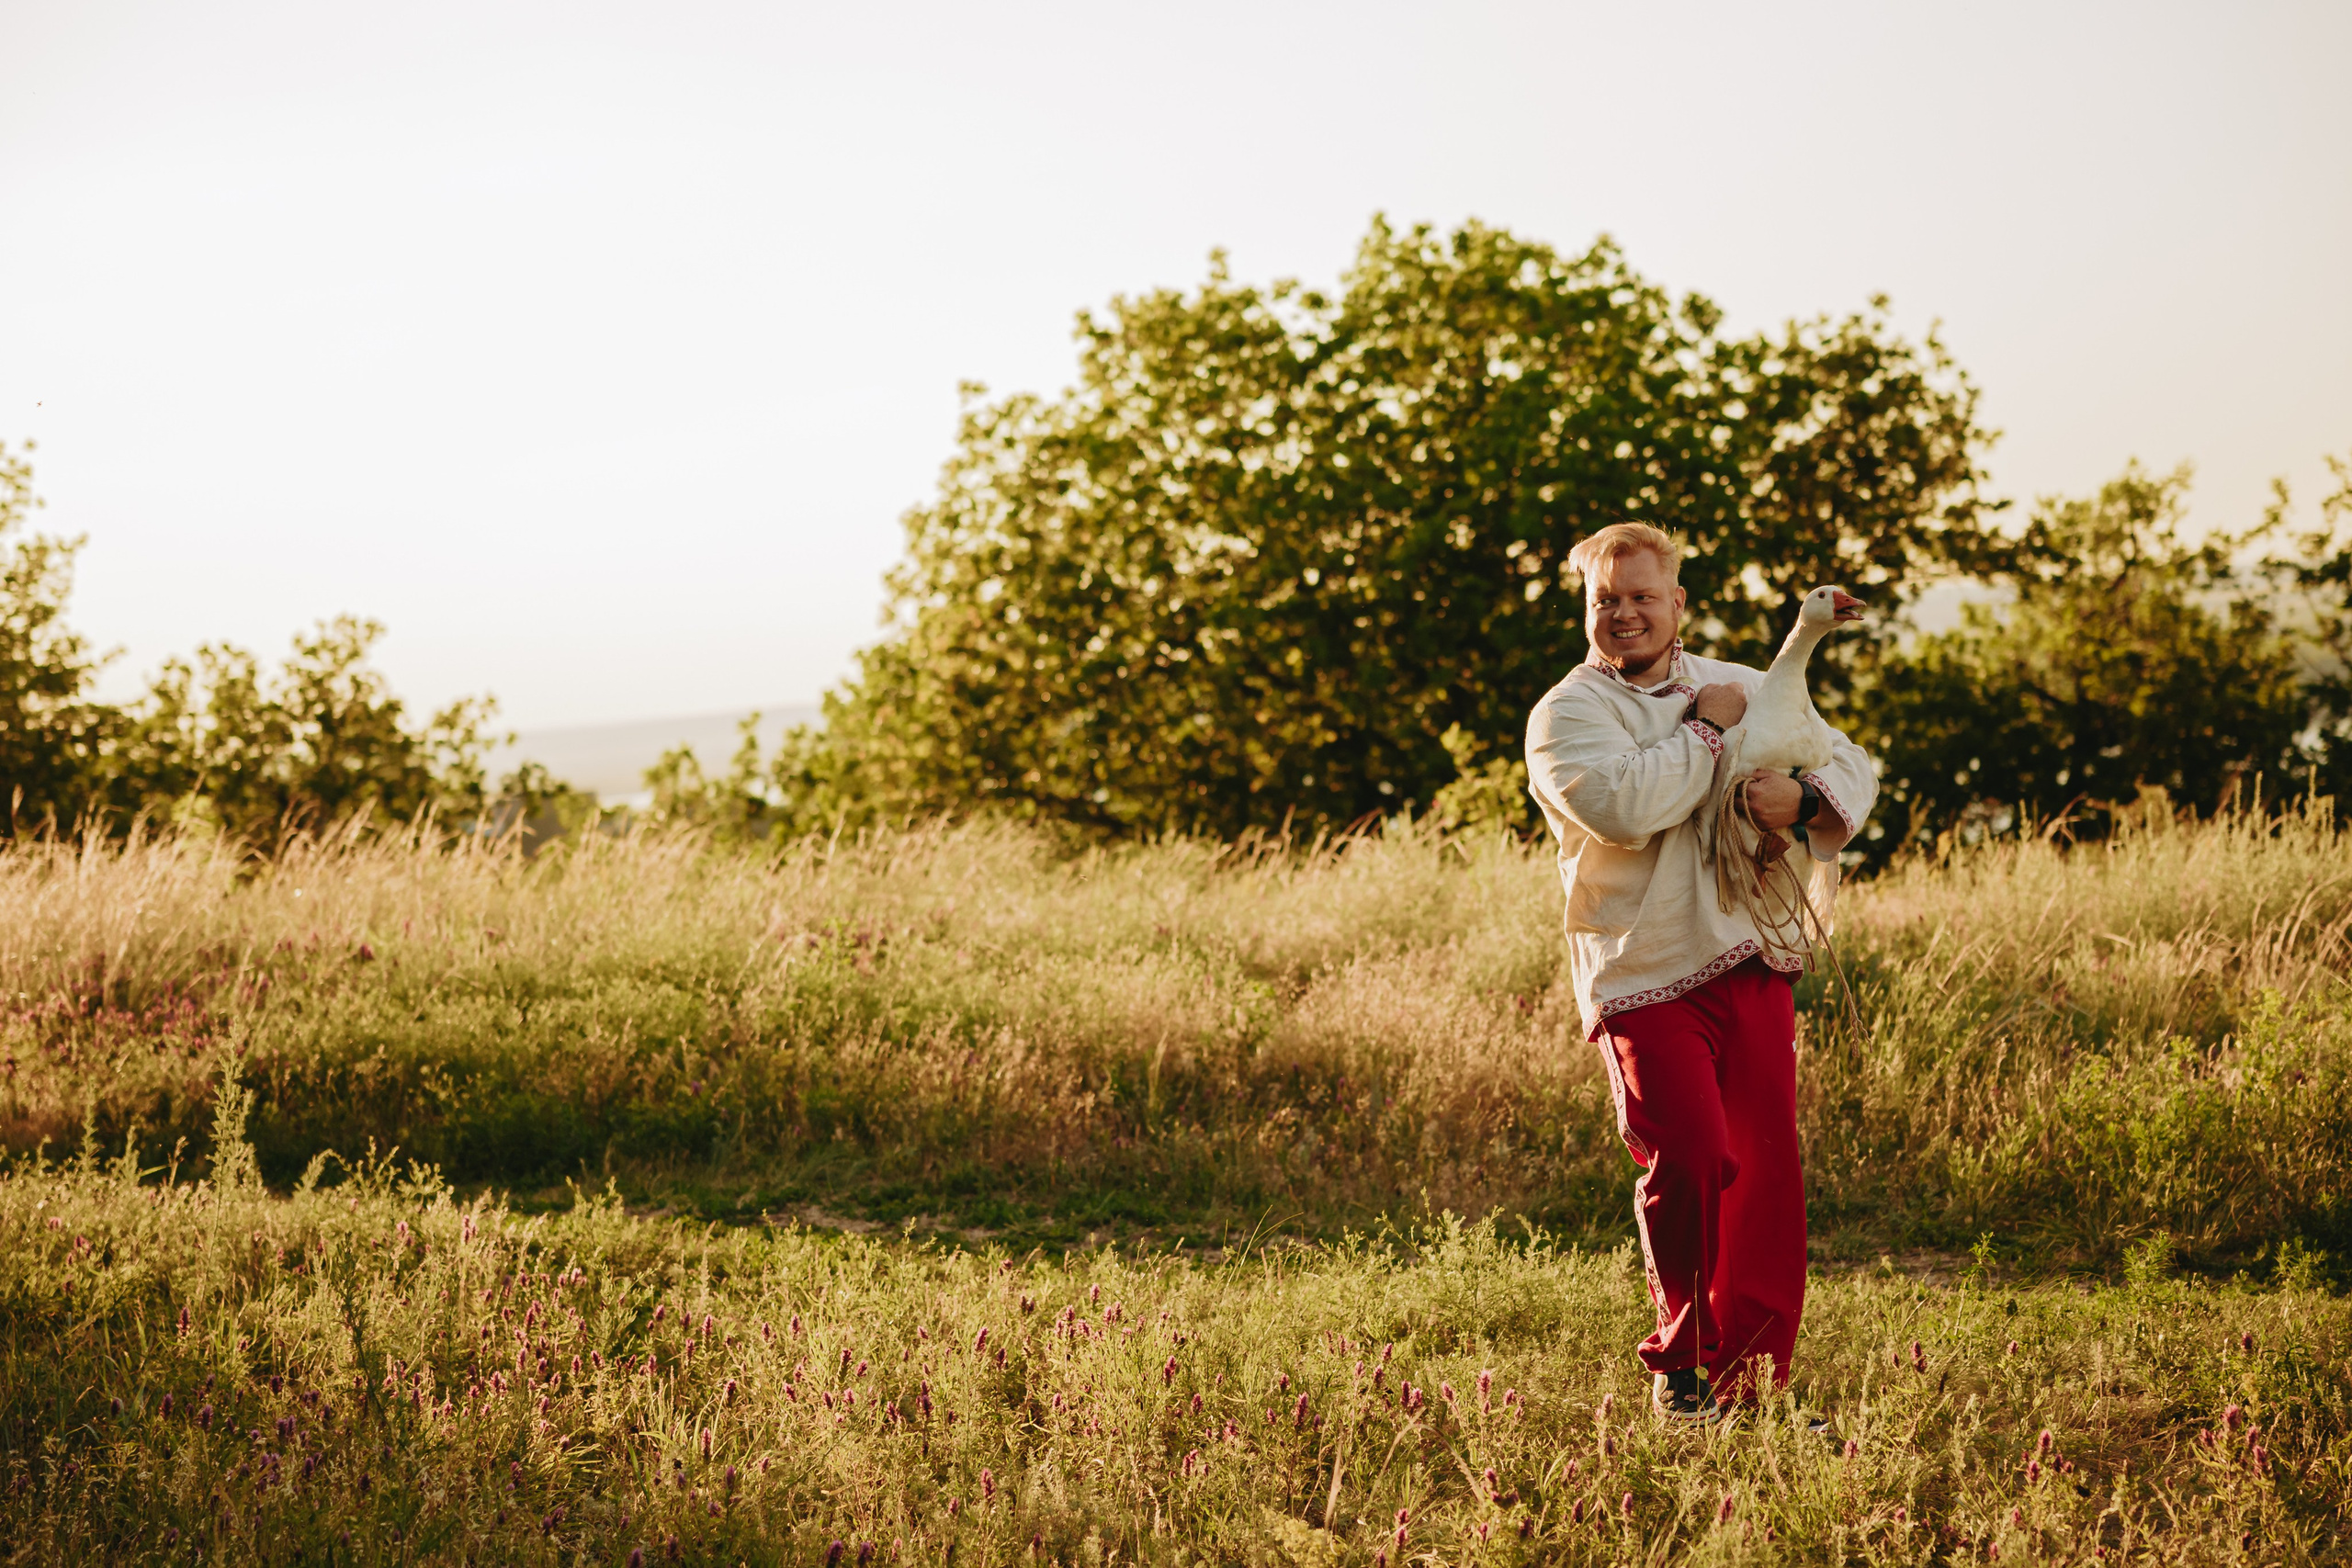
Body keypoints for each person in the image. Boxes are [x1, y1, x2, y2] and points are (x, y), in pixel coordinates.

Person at [1521, 522, 1876, 1425]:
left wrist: (1804, 800)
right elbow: (1626, 808)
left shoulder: (1750, 683)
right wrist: (1712, 737)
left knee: (1761, 1173)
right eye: (1606, 600)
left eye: (1642, 597)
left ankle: (1748, 1389)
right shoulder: (1569, 714)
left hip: (1750, 950)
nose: (1625, 614)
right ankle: (1681, 1372)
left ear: (1678, 603)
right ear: (1585, 611)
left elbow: (1854, 766)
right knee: (1688, 1156)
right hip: (1639, 967)